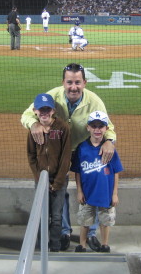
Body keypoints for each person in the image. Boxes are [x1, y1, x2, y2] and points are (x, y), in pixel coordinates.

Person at [21, 63, 116, 252]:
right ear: (63, 83)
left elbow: (108, 125)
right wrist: (33, 124)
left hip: (84, 150)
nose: (74, 87)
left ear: (85, 83)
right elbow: (27, 114)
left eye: (78, 82)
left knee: (90, 188)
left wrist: (109, 141)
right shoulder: (53, 96)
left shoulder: (94, 100)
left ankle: (90, 234)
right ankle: (64, 232)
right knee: (60, 191)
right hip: (58, 151)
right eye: (70, 82)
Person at [72, 111, 123, 253]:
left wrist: (115, 194)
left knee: (105, 221)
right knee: (85, 220)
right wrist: (79, 191)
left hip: (105, 193)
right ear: (88, 127)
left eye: (101, 126)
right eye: (94, 126)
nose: (97, 129)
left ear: (106, 128)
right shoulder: (81, 148)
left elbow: (116, 172)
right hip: (87, 193)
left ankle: (105, 244)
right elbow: (77, 171)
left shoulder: (110, 149)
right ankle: (82, 244)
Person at [27, 93, 71, 252]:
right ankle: (41, 247)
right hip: (41, 181)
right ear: (35, 111)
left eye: (47, 109)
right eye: (41, 110)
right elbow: (31, 156)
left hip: (59, 180)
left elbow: (66, 157)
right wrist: (39, 179)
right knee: (41, 215)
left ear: (53, 110)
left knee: (57, 217)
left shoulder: (63, 128)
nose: (44, 113)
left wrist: (58, 182)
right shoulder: (34, 131)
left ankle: (55, 247)